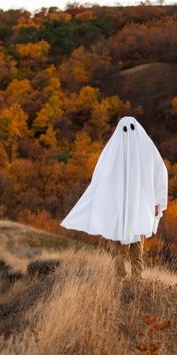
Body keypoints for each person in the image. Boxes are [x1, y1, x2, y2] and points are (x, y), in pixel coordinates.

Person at [61, 116, 168, 279]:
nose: (129, 134)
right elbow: (99, 179)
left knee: (136, 242)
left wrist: (157, 202)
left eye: (132, 129)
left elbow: (159, 175)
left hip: (138, 206)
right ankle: (120, 278)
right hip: (116, 207)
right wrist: (100, 202)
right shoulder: (112, 153)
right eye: (125, 130)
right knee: (115, 243)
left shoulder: (147, 151)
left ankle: (137, 279)